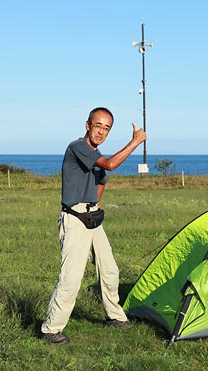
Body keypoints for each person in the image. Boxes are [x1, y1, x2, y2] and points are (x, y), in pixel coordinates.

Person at [41, 107, 146, 344]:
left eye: (106, 128)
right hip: (74, 219)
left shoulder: (96, 156)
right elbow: (110, 165)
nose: (101, 131)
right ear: (88, 125)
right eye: (98, 125)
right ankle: (50, 329)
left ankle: (115, 317)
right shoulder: (77, 147)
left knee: (109, 270)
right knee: (71, 277)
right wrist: (136, 142)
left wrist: (94, 206)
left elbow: (102, 181)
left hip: (92, 218)